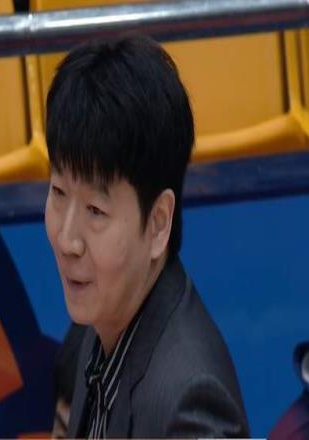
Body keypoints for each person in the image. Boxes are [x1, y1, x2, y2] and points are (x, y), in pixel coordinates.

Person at [44, 34, 249, 438]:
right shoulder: (99, 328)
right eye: (58, 193)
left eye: (96, 211)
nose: (67, 240)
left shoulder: (193, 402)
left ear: (157, 223)